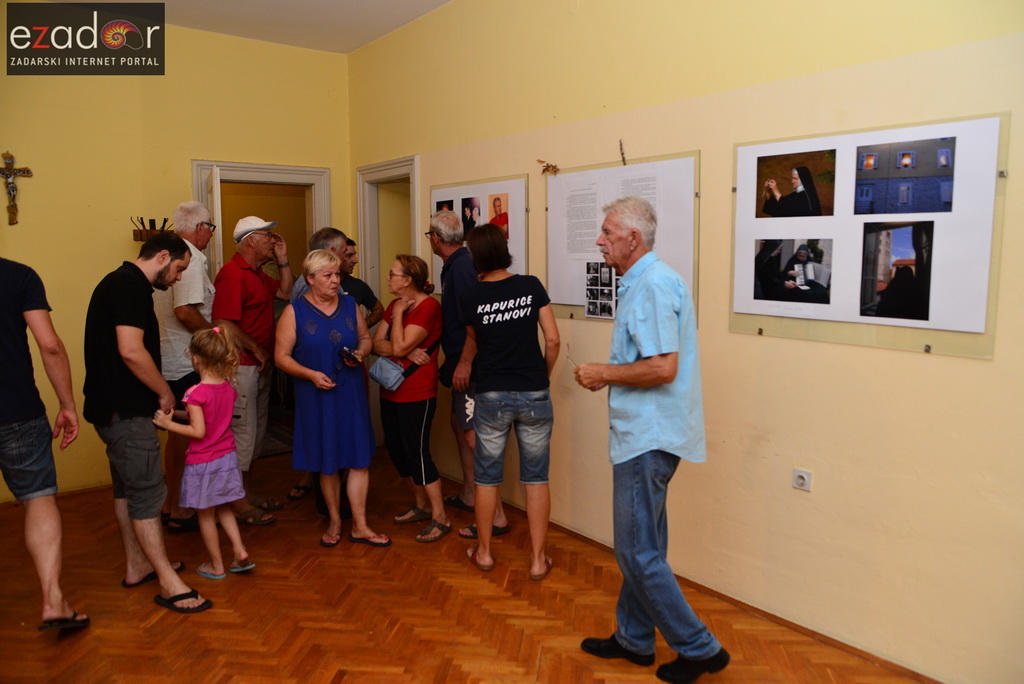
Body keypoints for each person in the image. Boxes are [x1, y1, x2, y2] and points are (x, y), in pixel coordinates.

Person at [574, 197, 729, 683]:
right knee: (647, 546)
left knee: (636, 551)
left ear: (632, 238)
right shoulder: (644, 281)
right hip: (647, 432)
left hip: (649, 436)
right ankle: (635, 639)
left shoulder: (655, 285)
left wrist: (603, 372)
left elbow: (664, 367)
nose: (600, 240)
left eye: (607, 232)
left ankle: (699, 647)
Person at [84, 233, 211, 613]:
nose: (176, 279)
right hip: (126, 412)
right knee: (147, 494)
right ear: (161, 256)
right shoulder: (129, 286)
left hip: (111, 410)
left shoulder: (119, 282)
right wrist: (165, 392)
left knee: (127, 491)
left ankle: (138, 564)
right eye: (178, 269)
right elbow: (130, 350)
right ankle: (170, 584)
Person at [460, 224, 560, 579]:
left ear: (476, 256)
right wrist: (542, 376)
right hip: (533, 391)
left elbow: (476, 341)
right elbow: (553, 341)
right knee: (535, 478)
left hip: (491, 393)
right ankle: (537, 560)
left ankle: (485, 553)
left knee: (487, 478)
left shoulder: (470, 297)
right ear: (504, 249)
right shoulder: (530, 286)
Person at [275, 250, 389, 548]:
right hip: (315, 395)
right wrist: (310, 374)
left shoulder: (350, 305)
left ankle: (361, 525)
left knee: (358, 458)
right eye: (328, 275)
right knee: (327, 460)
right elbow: (281, 357)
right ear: (310, 279)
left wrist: (362, 353)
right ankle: (335, 520)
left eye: (337, 274)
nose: (336, 280)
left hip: (349, 390)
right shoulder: (294, 312)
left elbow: (365, 339)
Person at [0, 257, 89, 631]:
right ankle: (53, 601)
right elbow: (49, 345)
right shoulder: (19, 276)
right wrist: (67, 405)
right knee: (38, 497)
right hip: (18, 411)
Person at [425, 210, 509, 536]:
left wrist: (464, 363)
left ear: (435, 238)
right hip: (463, 362)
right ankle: (471, 493)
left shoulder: (460, 267)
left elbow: (474, 322)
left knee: (474, 437)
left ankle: (495, 514)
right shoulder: (456, 266)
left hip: (470, 365)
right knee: (459, 426)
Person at [153, 327, 256, 580]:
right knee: (224, 509)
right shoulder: (227, 390)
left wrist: (168, 425)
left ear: (196, 359)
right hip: (227, 458)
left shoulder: (195, 394)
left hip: (204, 463)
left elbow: (198, 430)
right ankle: (240, 550)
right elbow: (208, 419)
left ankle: (216, 565)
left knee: (206, 515)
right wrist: (174, 414)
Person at [212, 216, 294, 526]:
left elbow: (286, 293)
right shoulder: (233, 274)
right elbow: (222, 323)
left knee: (255, 434)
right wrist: (257, 348)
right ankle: (238, 503)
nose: (273, 239)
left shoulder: (258, 273)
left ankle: (246, 492)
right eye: (267, 235)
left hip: (259, 367)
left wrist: (283, 259)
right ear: (250, 241)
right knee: (242, 435)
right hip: (241, 367)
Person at [372, 255, 448, 542]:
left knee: (417, 453)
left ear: (407, 280)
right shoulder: (392, 304)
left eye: (393, 274)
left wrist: (400, 321)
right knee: (396, 449)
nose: (389, 278)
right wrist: (400, 348)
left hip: (417, 392)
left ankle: (440, 517)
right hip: (389, 388)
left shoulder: (429, 308)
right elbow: (375, 344)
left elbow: (400, 345)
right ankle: (421, 505)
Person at [153, 201, 216, 534]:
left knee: (176, 437)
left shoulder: (168, 253)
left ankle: (169, 503)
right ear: (200, 228)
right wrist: (217, 337)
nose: (211, 234)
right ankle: (179, 507)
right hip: (185, 360)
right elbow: (185, 312)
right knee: (185, 438)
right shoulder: (189, 260)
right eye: (211, 227)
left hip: (171, 359)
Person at [340, 238, 384, 329]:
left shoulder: (358, 285)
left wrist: (359, 329)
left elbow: (378, 310)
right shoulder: (317, 284)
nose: (355, 260)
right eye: (349, 255)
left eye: (354, 255)